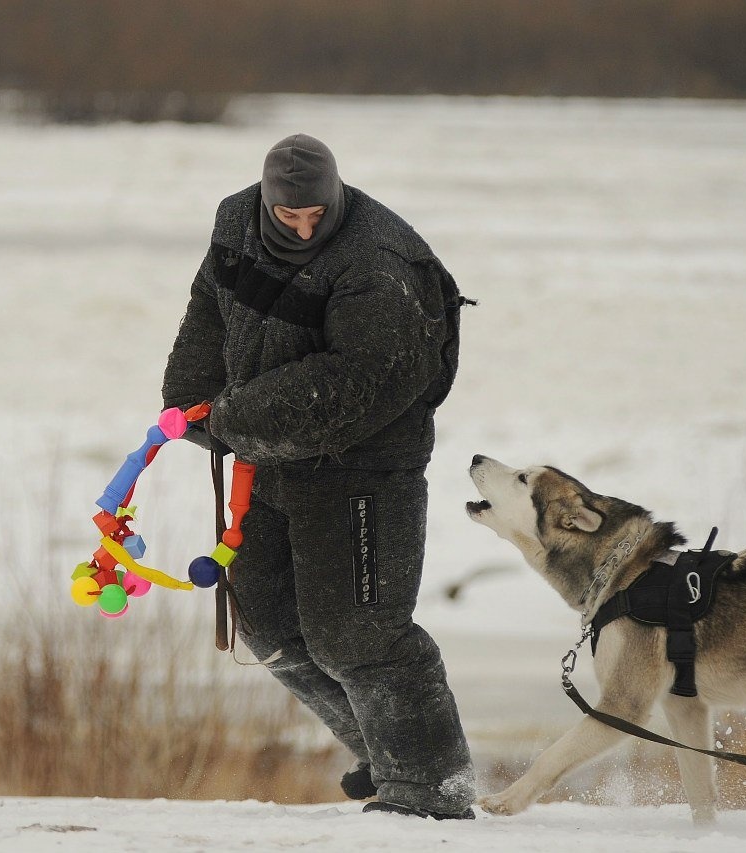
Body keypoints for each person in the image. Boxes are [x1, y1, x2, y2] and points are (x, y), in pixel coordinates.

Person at [161, 134, 475, 819]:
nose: (303, 226)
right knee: (266, 619)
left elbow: (354, 384)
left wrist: (233, 415)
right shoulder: (236, 222)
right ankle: (383, 750)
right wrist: (189, 400)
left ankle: (430, 788)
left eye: (316, 215)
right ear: (267, 201)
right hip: (269, 457)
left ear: (336, 194)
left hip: (363, 466)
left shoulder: (377, 261)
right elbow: (209, 310)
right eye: (289, 216)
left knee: (360, 632)